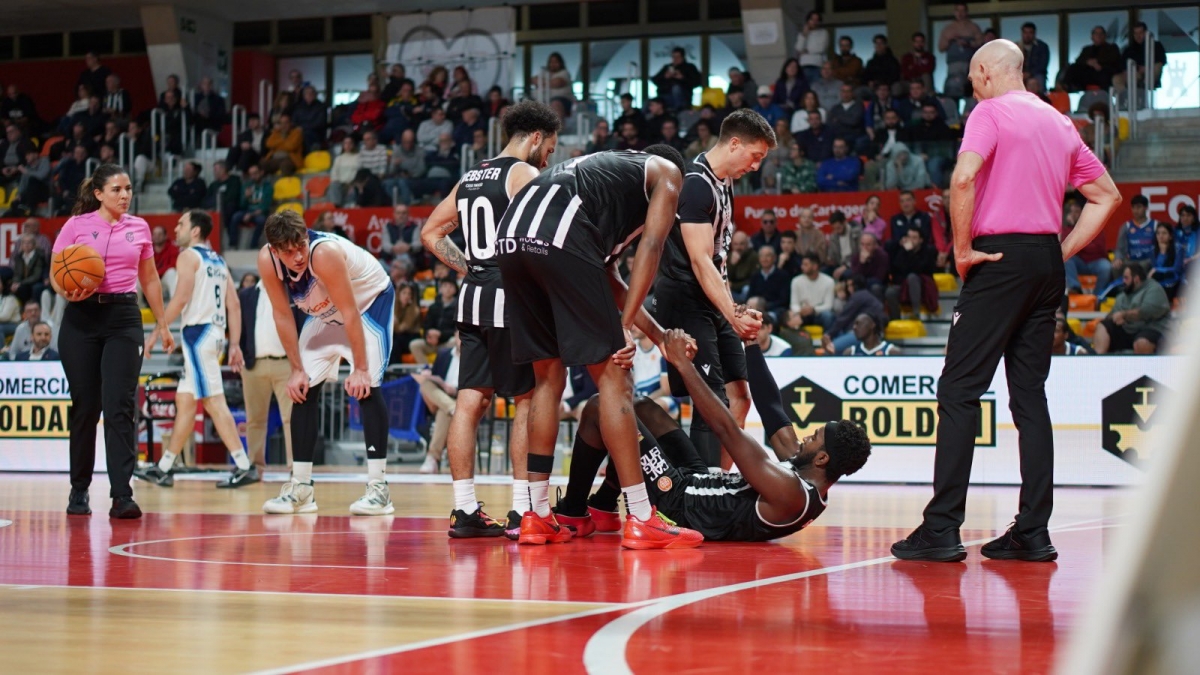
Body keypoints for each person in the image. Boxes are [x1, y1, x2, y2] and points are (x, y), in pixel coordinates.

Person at [891, 40, 1121, 564]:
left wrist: (962, 249)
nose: (971, 88)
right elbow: (1107, 195)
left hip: (998, 258)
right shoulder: (1060, 122)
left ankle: (941, 528)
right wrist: (1060, 250)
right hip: (1044, 260)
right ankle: (1032, 531)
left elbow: (963, 177)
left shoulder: (989, 112)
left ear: (985, 71)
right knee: (1029, 397)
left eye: (973, 79)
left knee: (958, 391)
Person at [496, 145, 701, 549]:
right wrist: (623, 328)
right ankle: (641, 517)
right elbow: (652, 248)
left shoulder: (607, 185)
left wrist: (659, 336)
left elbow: (609, 280)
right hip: (559, 234)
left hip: (511, 238)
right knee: (615, 376)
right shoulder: (668, 173)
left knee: (547, 378)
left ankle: (537, 517)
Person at [555, 327, 871, 541]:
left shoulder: (791, 493)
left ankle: (574, 511)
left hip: (679, 505)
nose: (806, 438)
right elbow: (773, 410)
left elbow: (727, 429)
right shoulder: (805, 473)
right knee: (643, 409)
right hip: (698, 482)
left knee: (600, 407)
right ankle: (603, 505)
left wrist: (682, 364)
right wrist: (750, 343)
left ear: (822, 458)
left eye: (814, 437)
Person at [418, 100, 560, 538]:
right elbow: (541, 239)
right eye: (549, 149)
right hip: (510, 299)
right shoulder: (524, 174)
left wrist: (471, 268)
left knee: (469, 402)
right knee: (526, 401)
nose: (547, 159)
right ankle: (521, 510)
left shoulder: (471, 177)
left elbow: (430, 233)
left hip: (472, 297)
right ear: (535, 137)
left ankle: (464, 511)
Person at [652, 109, 773, 469]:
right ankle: (701, 488)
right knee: (711, 401)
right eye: (755, 156)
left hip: (711, 297)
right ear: (734, 144)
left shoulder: (725, 181)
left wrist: (733, 308)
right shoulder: (695, 184)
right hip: (685, 299)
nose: (756, 166)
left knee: (739, 398)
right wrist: (732, 316)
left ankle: (719, 482)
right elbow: (701, 260)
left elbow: (718, 260)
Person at [51, 164, 173, 519]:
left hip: (123, 318)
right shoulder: (76, 225)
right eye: (117, 189)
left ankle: (122, 495)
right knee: (86, 406)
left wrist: (162, 323)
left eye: (128, 189)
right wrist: (66, 291)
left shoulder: (139, 227)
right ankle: (79, 489)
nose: (125, 195)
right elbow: (56, 271)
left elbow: (150, 279)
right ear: (99, 193)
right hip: (81, 318)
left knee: (120, 405)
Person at [256, 210, 397, 516]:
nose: (297, 256)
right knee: (302, 388)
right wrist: (295, 369)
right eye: (288, 252)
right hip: (326, 311)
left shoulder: (324, 254)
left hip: (367, 304)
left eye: (301, 246)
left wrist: (360, 368)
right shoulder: (267, 261)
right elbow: (282, 314)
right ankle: (302, 488)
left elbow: (350, 312)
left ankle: (379, 489)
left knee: (367, 387)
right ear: (275, 251)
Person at [135, 211, 257, 488]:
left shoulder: (188, 256)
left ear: (195, 231)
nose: (176, 228)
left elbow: (180, 298)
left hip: (199, 335)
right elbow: (234, 305)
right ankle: (164, 468)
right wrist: (234, 343)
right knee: (186, 401)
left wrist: (157, 331)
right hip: (214, 334)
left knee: (213, 401)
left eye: (181, 224)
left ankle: (244, 466)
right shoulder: (218, 260)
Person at [237, 276, 295, 475]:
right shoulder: (247, 295)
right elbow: (239, 328)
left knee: (291, 418)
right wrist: (241, 355)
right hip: (254, 365)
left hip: (286, 364)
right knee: (254, 419)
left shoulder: (292, 291)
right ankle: (255, 466)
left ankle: (296, 468)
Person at [1092, 262, 1169, 355]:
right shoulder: (1122, 295)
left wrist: (1124, 315)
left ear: (1136, 279)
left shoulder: (1154, 289)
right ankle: (1098, 358)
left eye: (1126, 278)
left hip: (1151, 328)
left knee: (1142, 342)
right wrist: (1115, 318)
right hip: (1127, 330)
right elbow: (1111, 315)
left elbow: (1146, 311)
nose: (1123, 281)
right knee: (1102, 326)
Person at [413, 337, 459, 474]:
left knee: (443, 413)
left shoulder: (473, 357)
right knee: (425, 383)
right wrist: (429, 375)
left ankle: (432, 458)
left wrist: (455, 390)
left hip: (460, 398)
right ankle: (452, 408)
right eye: (459, 336)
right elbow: (436, 376)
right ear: (455, 337)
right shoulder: (444, 354)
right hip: (439, 397)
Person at [826, 274, 887, 355]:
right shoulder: (866, 295)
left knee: (831, 348)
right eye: (847, 286)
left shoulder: (858, 296)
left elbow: (843, 318)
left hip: (867, 333)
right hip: (869, 332)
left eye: (850, 285)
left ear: (856, 285)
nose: (848, 288)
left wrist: (828, 335)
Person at [885, 228, 938, 319]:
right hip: (905, 286)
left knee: (912, 277)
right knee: (890, 292)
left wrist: (910, 252)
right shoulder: (902, 251)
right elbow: (896, 270)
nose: (911, 240)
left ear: (921, 240)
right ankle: (896, 319)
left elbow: (919, 269)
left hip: (923, 287)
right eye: (909, 237)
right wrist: (903, 250)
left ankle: (916, 312)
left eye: (914, 237)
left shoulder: (928, 251)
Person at [938, 3, 984, 99]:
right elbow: (941, 48)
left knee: (971, 92)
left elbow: (981, 44)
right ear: (954, 12)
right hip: (954, 64)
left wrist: (968, 43)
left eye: (963, 11)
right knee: (953, 90)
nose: (960, 13)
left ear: (966, 12)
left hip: (970, 64)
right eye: (958, 10)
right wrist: (950, 39)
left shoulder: (973, 27)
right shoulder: (948, 29)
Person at [409, 277, 459, 364]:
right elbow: (426, 326)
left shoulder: (459, 308)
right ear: (440, 289)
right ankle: (426, 368)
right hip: (431, 342)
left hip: (446, 342)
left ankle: (446, 368)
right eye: (445, 286)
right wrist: (428, 335)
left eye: (451, 286)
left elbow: (457, 330)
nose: (447, 289)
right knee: (414, 344)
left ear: (455, 290)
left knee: (455, 341)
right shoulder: (433, 307)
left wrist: (441, 334)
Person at [1113, 194, 1159, 279]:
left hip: (1148, 260)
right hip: (1130, 260)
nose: (1135, 210)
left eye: (1139, 207)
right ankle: (1121, 287)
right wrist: (1118, 258)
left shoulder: (1155, 225)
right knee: (1115, 267)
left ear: (1146, 208)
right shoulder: (1126, 226)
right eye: (1133, 207)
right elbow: (1120, 247)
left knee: (1141, 266)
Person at [1063, 26, 1122, 93]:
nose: (1099, 36)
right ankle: (1064, 87)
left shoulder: (1112, 48)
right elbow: (1079, 60)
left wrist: (1097, 62)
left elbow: (1114, 59)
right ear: (1092, 37)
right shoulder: (1086, 49)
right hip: (1088, 74)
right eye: (1096, 34)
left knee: (1104, 75)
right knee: (1073, 68)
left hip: (1103, 73)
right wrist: (1088, 62)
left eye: (1101, 33)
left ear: (1105, 36)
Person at [229, 164, 273, 250]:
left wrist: (251, 215)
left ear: (261, 172)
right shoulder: (247, 185)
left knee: (261, 220)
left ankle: (253, 246)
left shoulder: (267, 186)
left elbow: (265, 206)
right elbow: (242, 205)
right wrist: (245, 197)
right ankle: (233, 244)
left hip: (259, 213)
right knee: (235, 217)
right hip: (247, 211)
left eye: (255, 173)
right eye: (251, 174)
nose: (253, 176)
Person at [1119, 22, 1167, 95]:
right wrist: (1137, 68)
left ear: (1145, 33)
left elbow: (1162, 60)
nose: (1138, 36)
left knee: (1157, 66)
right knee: (1118, 78)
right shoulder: (1129, 49)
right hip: (1135, 73)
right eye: (1136, 33)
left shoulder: (1156, 45)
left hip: (1151, 71)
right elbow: (1123, 65)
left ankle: (1146, 85)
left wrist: (1146, 68)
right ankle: (1125, 98)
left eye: (1140, 33)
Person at [790, 253, 835, 330]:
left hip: (819, 314)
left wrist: (813, 309)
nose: (802, 267)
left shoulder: (829, 281)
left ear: (815, 266)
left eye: (806, 265)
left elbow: (828, 305)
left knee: (828, 316)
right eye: (802, 264)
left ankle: (828, 336)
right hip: (802, 314)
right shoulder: (796, 281)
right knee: (790, 316)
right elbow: (794, 304)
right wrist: (800, 311)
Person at [651, 47, 703, 113]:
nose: (675, 59)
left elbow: (697, 82)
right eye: (674, 57)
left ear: (683, 57)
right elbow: (654, 80)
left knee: (676, 88)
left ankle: (678, 110)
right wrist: (665, 76)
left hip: (683, 97)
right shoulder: (667, 67)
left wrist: (682, 78)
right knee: (649, 102)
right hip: (665, 96)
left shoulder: (690, 67)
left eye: (678, 57)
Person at [822, 312, 899, 355]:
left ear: (872, 325)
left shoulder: (891, 351)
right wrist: (831, 355)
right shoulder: (850, 352)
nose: (854, 327)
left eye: (859, 324)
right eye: (854, 324)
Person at [888, 190, 934, 255]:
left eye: (908, 200)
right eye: (902, 201)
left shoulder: (924, 216)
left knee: (930, 248)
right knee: (889, 244)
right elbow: (896, 236)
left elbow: (925, 235)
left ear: (914, 201)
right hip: (901, 249)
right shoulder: (895, 219)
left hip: (920, 249)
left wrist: (912, 241)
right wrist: (905, 241)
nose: (905, 204)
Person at [748, 246, 790, 314]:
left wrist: (766, 306)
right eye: (762, 256)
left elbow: (784, 300)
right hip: (757, 308)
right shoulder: (755, 276)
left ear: (774, 258)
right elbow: (750, 296)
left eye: (768, 256)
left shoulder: (783, 275)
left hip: (775, 309)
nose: (764, 259)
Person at [1149, 222, 1184, 302]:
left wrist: (1157, 269)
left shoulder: (1178, 249)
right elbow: (1154, 271)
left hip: (1174, 283)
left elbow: (1177, 270)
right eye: (1158, 233)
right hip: (1159, 283)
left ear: (1170, 236)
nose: (1160, 236)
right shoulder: (1152, 250)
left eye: (1164, 233)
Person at [9, 234, 47, 304]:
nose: (26, 245)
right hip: (23, 282)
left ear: (34, 244)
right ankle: (22, 308)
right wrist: (15, 282)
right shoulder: (19, 257)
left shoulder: (39, 256)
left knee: (36, 288)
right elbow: (17, 274)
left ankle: (36, 307)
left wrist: (20, 283)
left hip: (36, 282)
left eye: (29, 242)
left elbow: (36, 276)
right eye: (24, 242)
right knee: (16, 288)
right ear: (21, 245)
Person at [794, 11, 829, 83]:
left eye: (817, 20)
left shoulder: (823, 32)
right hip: (804, 65)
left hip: (817, 65)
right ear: (808, 21)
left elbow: (821, 48)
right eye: (812, 19)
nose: (814, 22)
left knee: (816, 87)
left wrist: (807, 50)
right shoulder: (802, 34)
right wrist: (804, 35)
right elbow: (798, 48)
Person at [1019, 23, 1051, 92]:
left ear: (1034, 33)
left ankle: (1040, 96)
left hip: (1036, 73)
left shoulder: (1042, 46)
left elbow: (1043, 65)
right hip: (1020, 74)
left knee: (1039, 77)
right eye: (1025, 32)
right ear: (1022, 33)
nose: (1027, 35)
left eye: (1030, 33)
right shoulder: (1016, 46)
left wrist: (1029, 73)